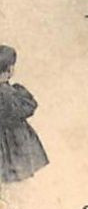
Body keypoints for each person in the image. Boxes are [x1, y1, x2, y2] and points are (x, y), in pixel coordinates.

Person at [0, 45, 49, 183]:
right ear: (9, 70)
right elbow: (29, 107)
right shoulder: (12, 94)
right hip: (15, 143)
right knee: (16, 177)